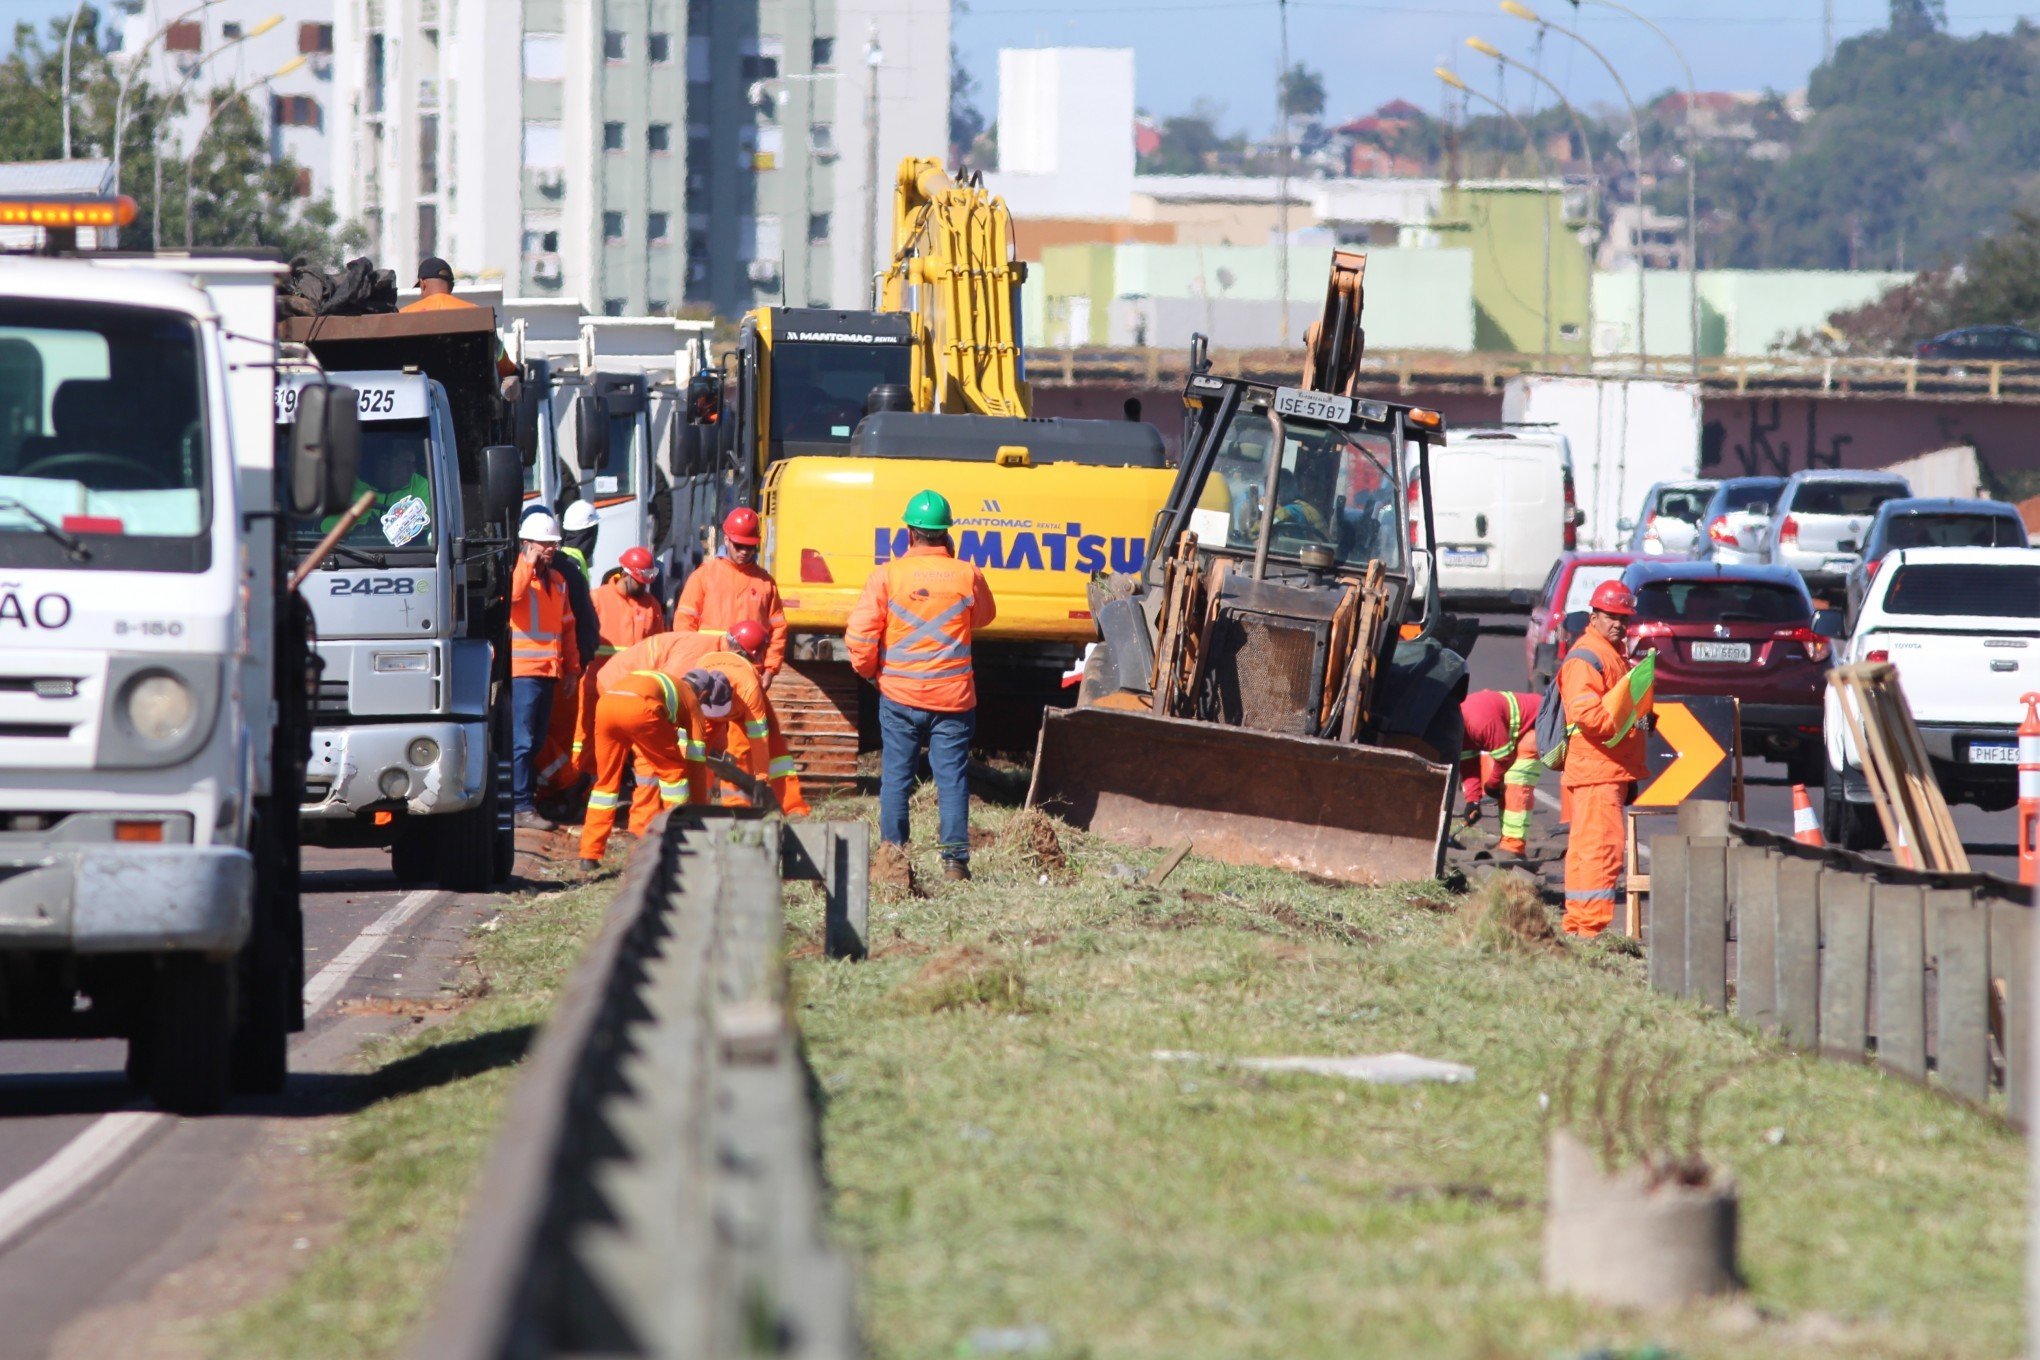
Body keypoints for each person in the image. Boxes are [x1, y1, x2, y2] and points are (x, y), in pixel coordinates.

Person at [846, 490, 995, 882]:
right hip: (954, 700)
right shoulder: (967, 574)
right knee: (952, 779)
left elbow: (860, 637)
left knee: (896, 777)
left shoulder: (887, 576)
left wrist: (870, 673)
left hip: (899, 696)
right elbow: (984, 617)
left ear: (910, 533)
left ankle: (892, 855)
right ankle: (955, 863)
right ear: (946, 534)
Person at [1559, 580, 1651, 938]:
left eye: (1623, 618)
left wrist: (1642, 720)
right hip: (1598, 768)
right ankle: (1589, 930)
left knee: (1590, 848)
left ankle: (1580, 927)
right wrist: (1631, 724)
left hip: (1604, 768)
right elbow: (1588, 715)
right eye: (1611, 616)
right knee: (1601, 850)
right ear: (1594, 615)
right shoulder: (1588, 657)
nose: (1618, 624)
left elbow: (1617, 707)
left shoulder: (1609, 653)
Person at [578, 667, 730, 871]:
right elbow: (695, 764)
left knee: (605, 784)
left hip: (606, 704)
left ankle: (589, 853)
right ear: (702, 694)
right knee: (675, 774)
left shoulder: (666, 680)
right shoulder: (692, 702)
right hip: (640, 709)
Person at [509, 511, 579, 831]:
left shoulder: (559, 583)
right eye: (543, 544)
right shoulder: (518, 574)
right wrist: (526, 561)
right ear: (527, 544)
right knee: (522, 742)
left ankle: (523, 799)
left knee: (535, 742)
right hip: (522, 671)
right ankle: (520, 805)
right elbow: (513, 595)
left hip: (548, 671)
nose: (550, 549)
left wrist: (573, 669)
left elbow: (567, 628)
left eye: (553, 544)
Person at [700, 618, 811, 817]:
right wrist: (761, 778)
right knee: (760, 749)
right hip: (739, 700)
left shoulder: (704, 662)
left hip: (708, 700)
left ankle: (698, 804)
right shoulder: (750, 686)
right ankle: (788, 806)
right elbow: (760, 741)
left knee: (695, 750)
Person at [571, 545, 669, 769]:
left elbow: (658, 646)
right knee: (585, 735)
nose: (644, 586)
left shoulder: (651, 606)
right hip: (595, 684)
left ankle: (623, 781)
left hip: (632, 689)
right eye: (639, 580)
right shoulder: (598, 599)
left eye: (647, 581)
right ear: (625, 574)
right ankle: (578, 780)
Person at [532, 502, 600, 809]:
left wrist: (576, 664)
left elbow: (577, 622)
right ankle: (564, 785)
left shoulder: (563, 573)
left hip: (553, 668)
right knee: (542, 735)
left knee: (545, 735)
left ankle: (561, 787)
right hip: (545, 669)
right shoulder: (567, 569)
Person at [674, 506, 788, 688]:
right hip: (709, 669)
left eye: (750, 547)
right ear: (726, 539)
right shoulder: (704, 576)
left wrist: (770, 670)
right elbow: (684, 623)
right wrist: (690, 664)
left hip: (748, 672)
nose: (744, 551)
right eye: (739, 545)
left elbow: (778, 630)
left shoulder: (765, 583)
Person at [400, 257, 519, 380]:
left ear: (423, 284)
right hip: (468, 394)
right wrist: (514, 371)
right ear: (451, 286)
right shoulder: (477, 314)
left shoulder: (404, 315)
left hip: (422, 389)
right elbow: (500, 359)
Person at [1458, 690, 1544, 858]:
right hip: (1512, 736)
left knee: (1515, 780)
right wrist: (1473, 801)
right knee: (1504, 788)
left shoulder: (1479, 721)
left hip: (1536, 722)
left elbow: (1505, 758)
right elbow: (1468, 764)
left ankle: (1514, 847)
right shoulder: (1457, 729)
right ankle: (1508, 841)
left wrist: (1492, 784)